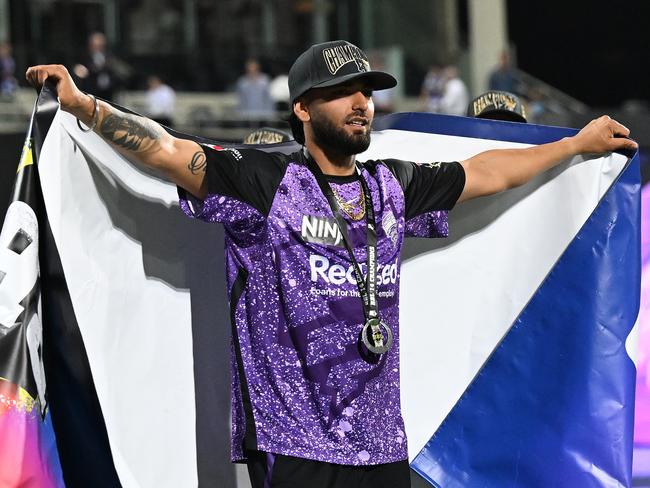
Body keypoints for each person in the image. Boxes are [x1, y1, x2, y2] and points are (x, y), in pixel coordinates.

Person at [26, 39, 637, 488]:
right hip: (296, 450)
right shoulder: (266, 182)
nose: (362, 104)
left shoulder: (389, 188)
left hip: (381, 449)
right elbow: (167, 151)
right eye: (345, 92)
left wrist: (575, 145)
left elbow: (486, 173)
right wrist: (85, 107)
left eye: (367, 93)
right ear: (302, 108)